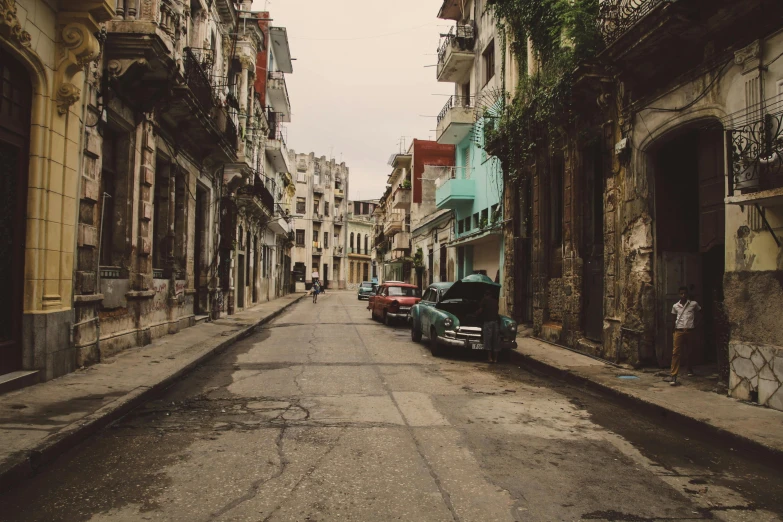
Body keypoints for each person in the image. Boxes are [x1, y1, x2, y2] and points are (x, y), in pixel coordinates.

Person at [666, 285, 701, 386]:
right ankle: (673, 375)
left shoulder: (693, 304)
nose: (683, 295)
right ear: (679, 294)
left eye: (685, 293)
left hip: (690, 330)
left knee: (690, 350)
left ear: (687, 294)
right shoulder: (675, 306)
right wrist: (673, 331)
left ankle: (689, 368)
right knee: (676, 352)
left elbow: (700, 313)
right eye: (681, 293)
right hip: (679, 330)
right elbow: (673, 319)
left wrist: (696, 325)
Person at [476, 289, 501, 363]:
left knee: (488, 340)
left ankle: (489, 358)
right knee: (496, 340)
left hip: (488, 323)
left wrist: (475, 314)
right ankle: (496, 359)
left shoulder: (484, 300)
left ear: (485, 295)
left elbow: (480, 310)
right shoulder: (495, 301)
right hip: (496, 322)